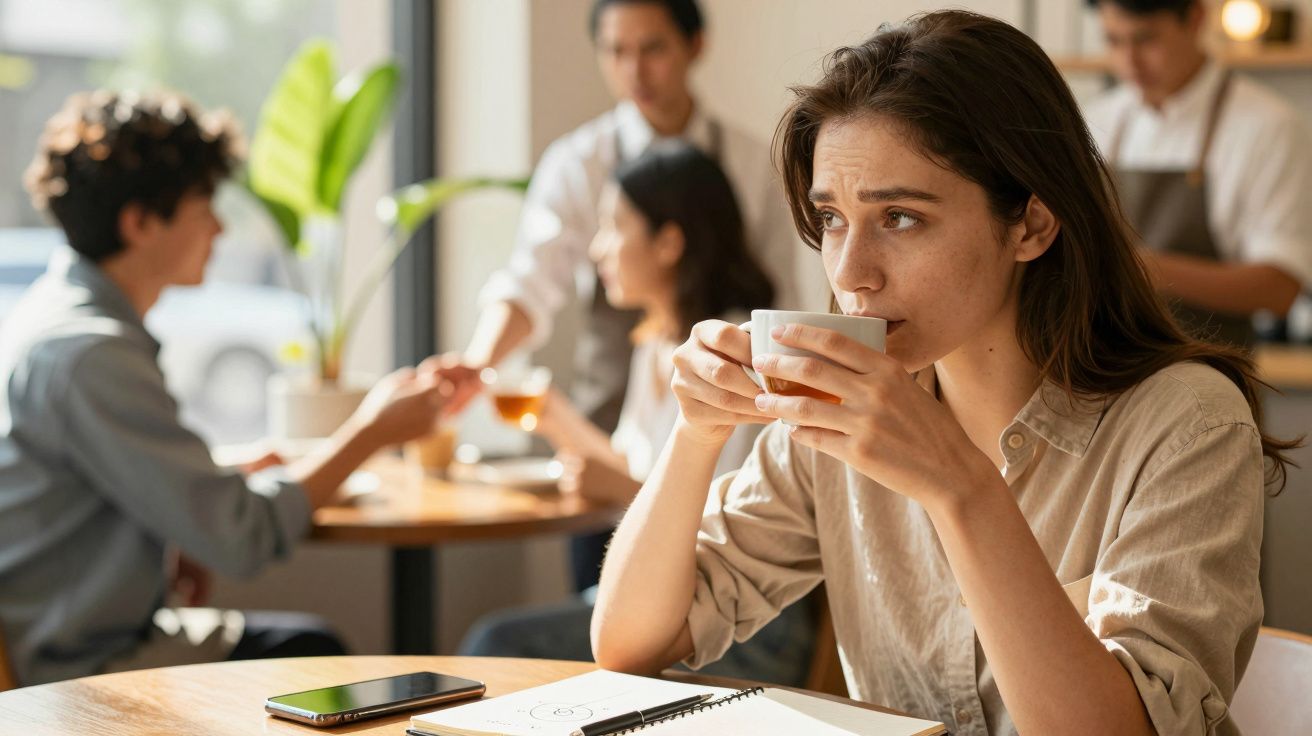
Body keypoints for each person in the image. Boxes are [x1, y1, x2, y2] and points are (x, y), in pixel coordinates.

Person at [591, 11, 1296, 736]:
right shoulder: (834, 415)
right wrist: (696, 435)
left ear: (1031, 225)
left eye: (899, 217)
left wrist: (960, 488)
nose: (850, 274)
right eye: (831, 218)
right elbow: (631, 642)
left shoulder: (1188, 426)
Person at [0, 90, 452, 687]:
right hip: (72, 672)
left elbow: (87, 483)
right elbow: (241, 538)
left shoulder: (58, 318)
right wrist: (372, 431)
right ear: (140, 223)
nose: (219, 227)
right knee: (316, 655)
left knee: (310, 648)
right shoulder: (93, 355)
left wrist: (210, 484)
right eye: (203, 206)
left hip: (70, 636)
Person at [437, 0, 823, 592]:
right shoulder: (580, 165)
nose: (634, 71)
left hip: (721, 502)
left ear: (695, 46)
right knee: (603, 598)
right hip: (617, 444)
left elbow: (782, 301)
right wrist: (482, 365)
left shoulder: (753, 167)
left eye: (653, 48)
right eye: (616, 51)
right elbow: (531, 279)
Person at [459, 143, 815, 687]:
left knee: (498, 644)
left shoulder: (735, 353)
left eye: (613, 227)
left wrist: (618, 483)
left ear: (669, 242)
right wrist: (552, 415)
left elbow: (722, 515)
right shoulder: (656, 345)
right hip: (667, 597)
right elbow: (633, 466)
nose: (597, 249)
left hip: (743, 618)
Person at [1084, 0, 1312, 348]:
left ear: (1195, 19)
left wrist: (1142, 269)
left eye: (1146, 39)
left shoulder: (1268, 126)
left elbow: (1280, 287)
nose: (1129, 61)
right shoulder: (1096, 119)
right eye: (1114, 41)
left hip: (1209, 367)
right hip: (1099, 363)